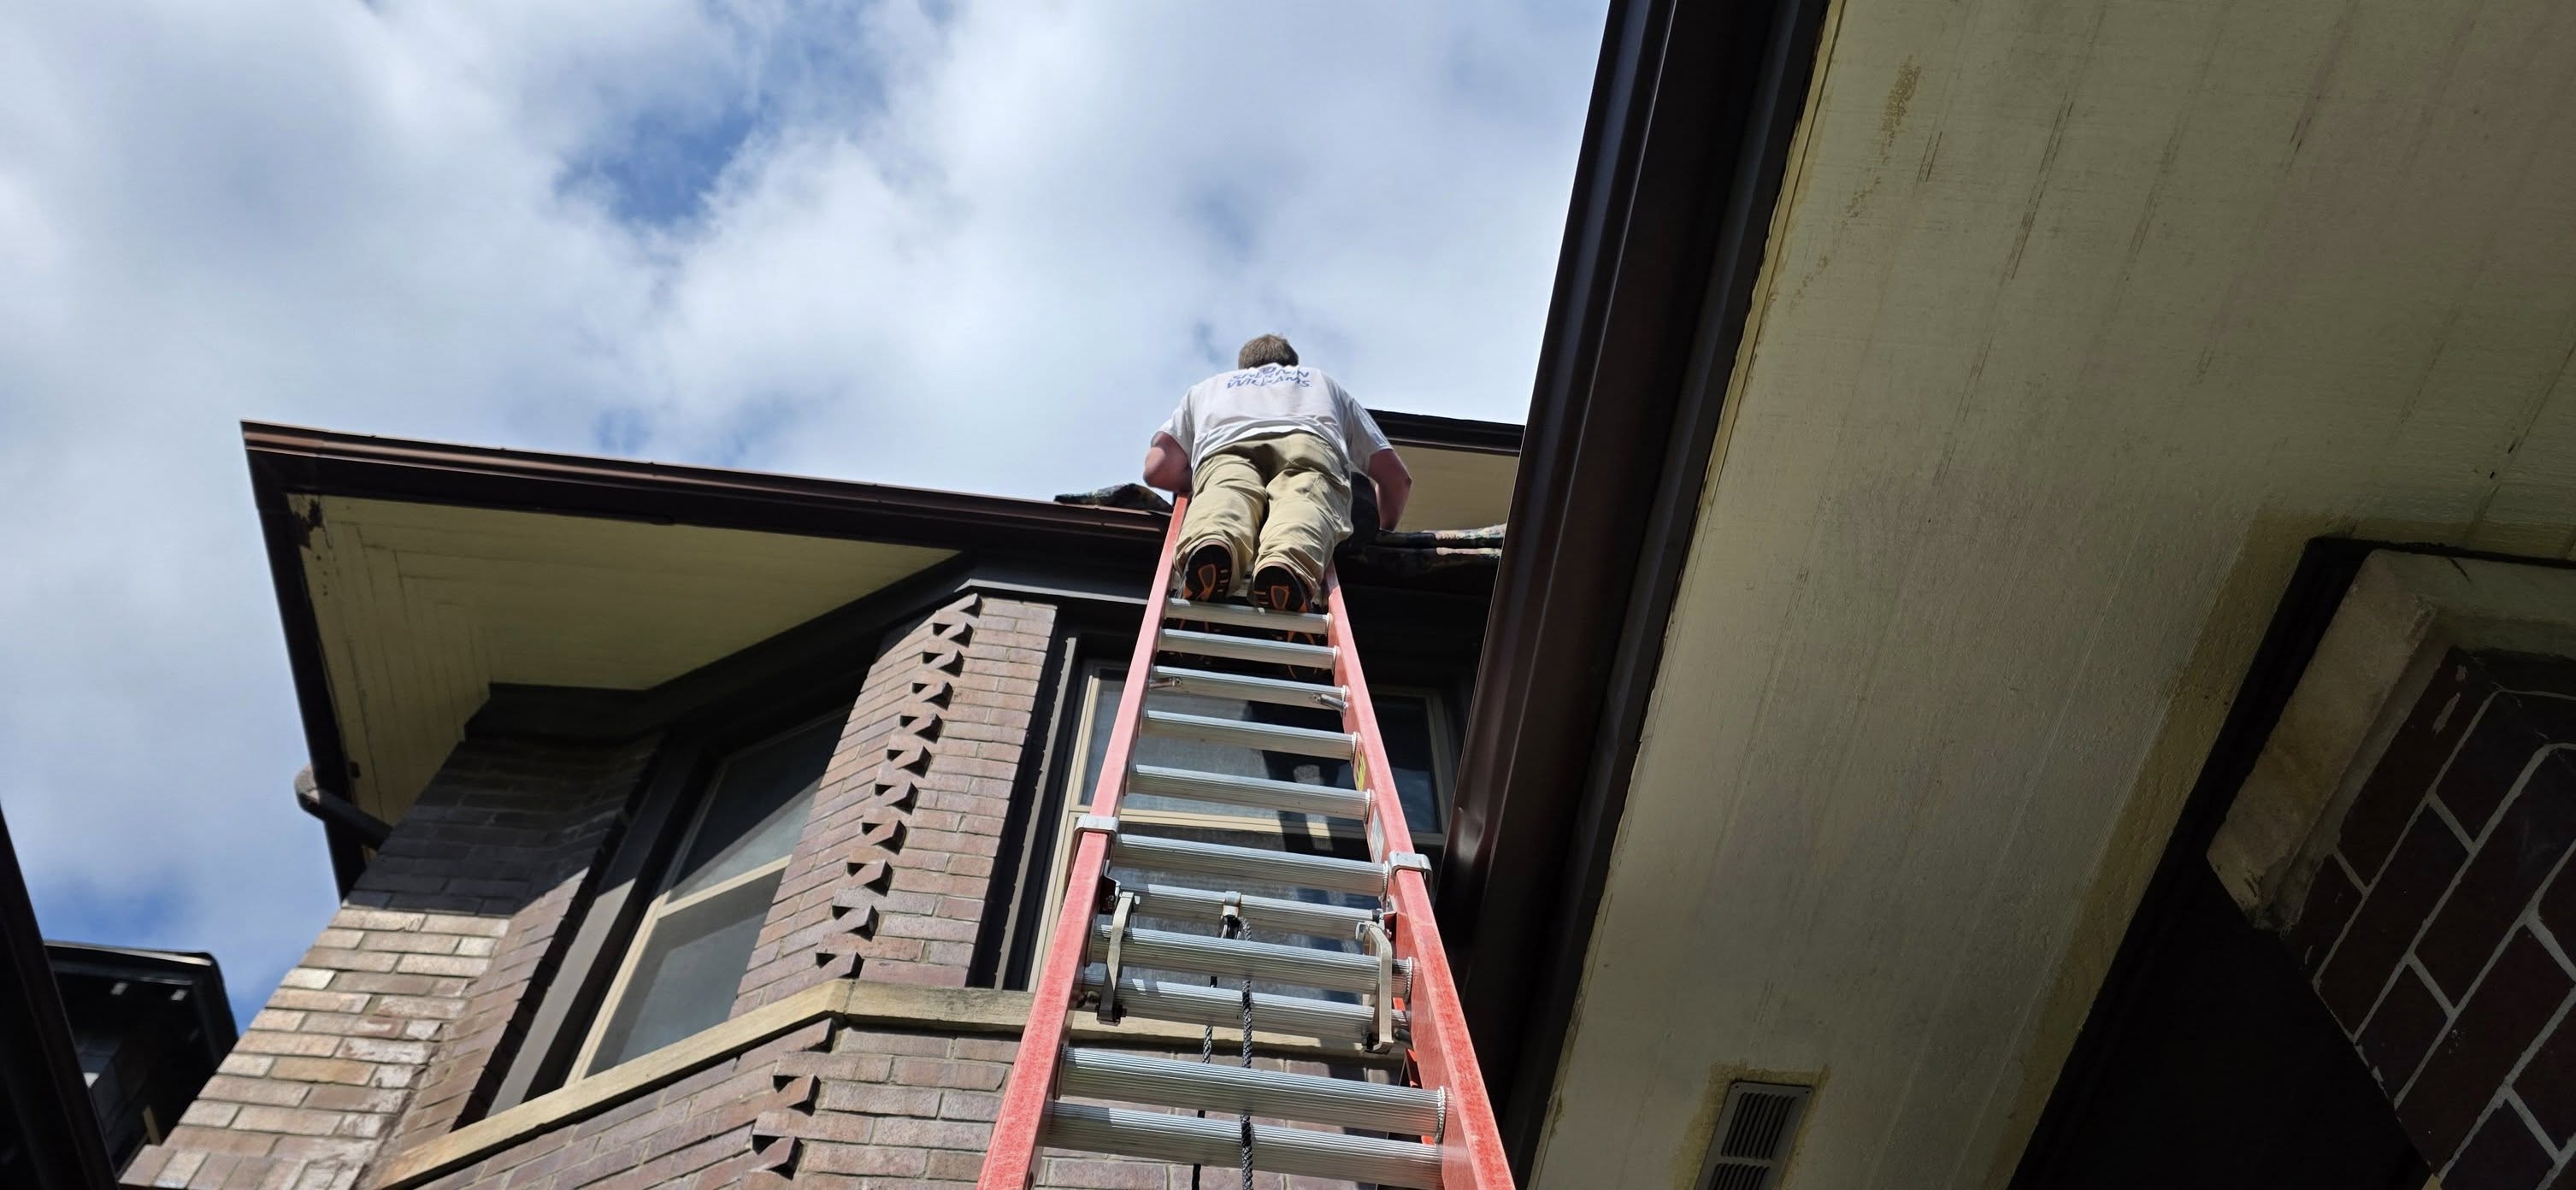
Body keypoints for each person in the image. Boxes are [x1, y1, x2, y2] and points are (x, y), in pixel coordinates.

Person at [1141, 333, 1412, 613]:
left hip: (1225, 446)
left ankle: (1214, 542)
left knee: (1226, 492)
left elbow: (1157, 469)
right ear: (1291, 363)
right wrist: (1382, 533)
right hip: (1310, 440)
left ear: (1243, 365)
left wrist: (1201, 480)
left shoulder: (1207, 389)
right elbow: (1397, 478)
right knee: (1304, 498)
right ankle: (1285, 564)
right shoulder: (1320, 381)